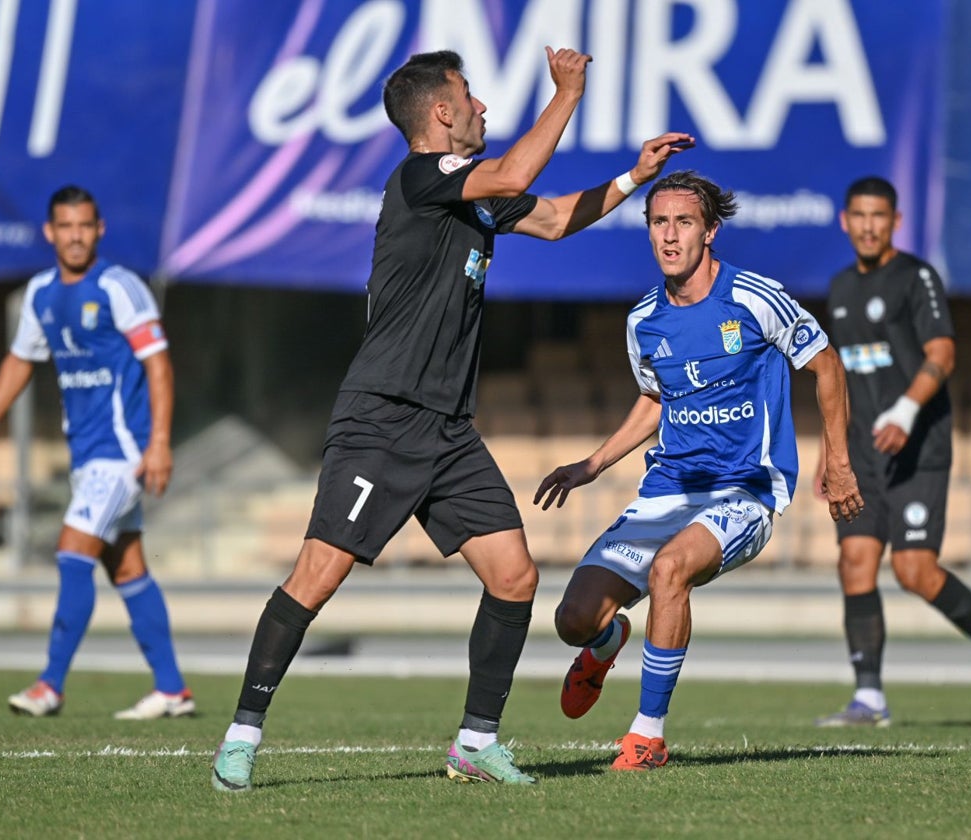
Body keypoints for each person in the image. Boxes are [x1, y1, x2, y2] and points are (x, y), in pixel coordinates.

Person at [210, 47, 693, 792]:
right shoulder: (419, 179)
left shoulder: (471, 196)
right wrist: (567, 94)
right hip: (383, 417)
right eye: (469, 96)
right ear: (440, 111)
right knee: (317, 574)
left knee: (514, 576)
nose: (482, 108)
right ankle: (241, 735)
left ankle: (475, 742)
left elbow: (559, 217)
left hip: (446, 430)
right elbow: (517, 174)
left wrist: (635, 176)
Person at [534, 170, 863, 771]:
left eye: (684, 222)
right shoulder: (643, 321)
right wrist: (592, 464)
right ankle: (606, 644)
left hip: (745, 489)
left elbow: (828, 367)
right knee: (573, 619)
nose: (669, 235)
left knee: (670, 571)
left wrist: (836, 461)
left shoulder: (754, 298)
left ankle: (647, 735)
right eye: (659, 222)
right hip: (668, 491)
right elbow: (655, 401)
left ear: (710, 231)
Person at [813, 176, 971, 728]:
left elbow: (944, 351)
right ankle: (869, 698)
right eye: (858, 215)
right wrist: (829, 451)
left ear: (896, 222)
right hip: (862, 454)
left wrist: (907, 409)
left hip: (918, 448)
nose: (868, 225)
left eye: (878, 216)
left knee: (913, 569)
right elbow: (833, 377)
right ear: (844, 221)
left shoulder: (917, 278)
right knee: (854, 563)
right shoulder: (839, 289)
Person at [0, 185, 192, 720]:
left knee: (73, 551)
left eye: (84, 226)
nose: (75, 236)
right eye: (65, 227)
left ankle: (50, 685)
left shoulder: (121, 288)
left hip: (123, 452)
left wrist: (159, 442)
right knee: (129, 568)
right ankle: (171, 689)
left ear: (99, 230)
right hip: (86, 455)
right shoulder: (41, 294)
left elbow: (158, 366)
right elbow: (20, 361)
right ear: (51, 232)